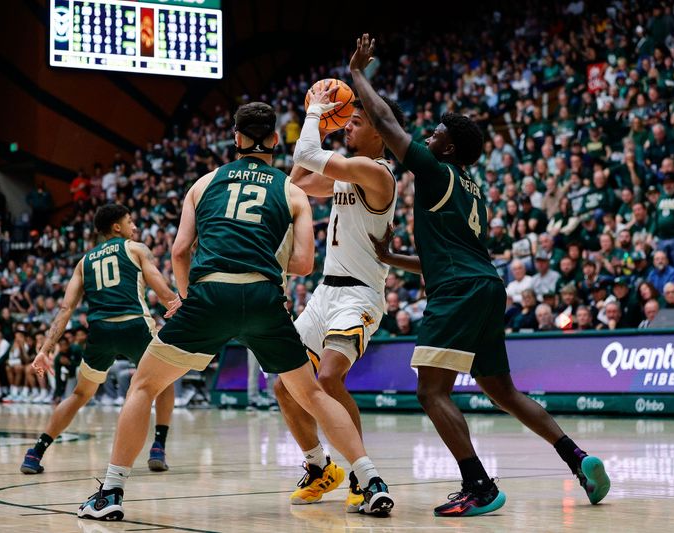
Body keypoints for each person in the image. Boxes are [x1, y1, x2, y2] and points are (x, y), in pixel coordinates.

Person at [77, 102, 394, 521]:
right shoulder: (291, 190)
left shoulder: (203, 184)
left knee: (143, 387)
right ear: (276, 141)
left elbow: (179, 251)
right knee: (313, 393)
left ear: (236, 138)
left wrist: (189, 299)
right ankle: (370, 480)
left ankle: (111, 492)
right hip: (265, 300)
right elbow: (302, 265)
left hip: (209, 297)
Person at [352, 34, 609, 517]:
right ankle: (577, 457)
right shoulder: (473, 188)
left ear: (449, 144)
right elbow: (453, 253)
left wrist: (358, 74)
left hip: (460, 290)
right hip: (485, 284)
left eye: (436, 132)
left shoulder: (433, 169)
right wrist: (395, 257)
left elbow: (386, 122)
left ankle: (479, 486)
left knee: (431, 391)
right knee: (502, 390)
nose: (428, 135)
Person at [272, 81, 403, 511]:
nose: (348, 125)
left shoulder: (378, 174)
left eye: (358, 122)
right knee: (285, 387)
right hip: (325, 294)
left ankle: (363, 475)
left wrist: (314, 117)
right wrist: (325, 129)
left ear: (381, 134)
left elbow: (304, 156)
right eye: (347, 120)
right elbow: (295, 183)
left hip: (359, 297)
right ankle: (318, 467)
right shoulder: (348, 172)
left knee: (328, 378)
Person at [21, 203, 181, 475]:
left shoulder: (84, 262)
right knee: (164, 382)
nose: (136, 227)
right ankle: (158, 447)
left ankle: (35, 452)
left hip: (100, 332)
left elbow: (65, 309)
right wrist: (178, 303)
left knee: (80, 394)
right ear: (117, 227)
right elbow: (159, 287)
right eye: (131, 222)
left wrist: (44, 350)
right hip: (134, 326)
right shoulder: (136, 248)